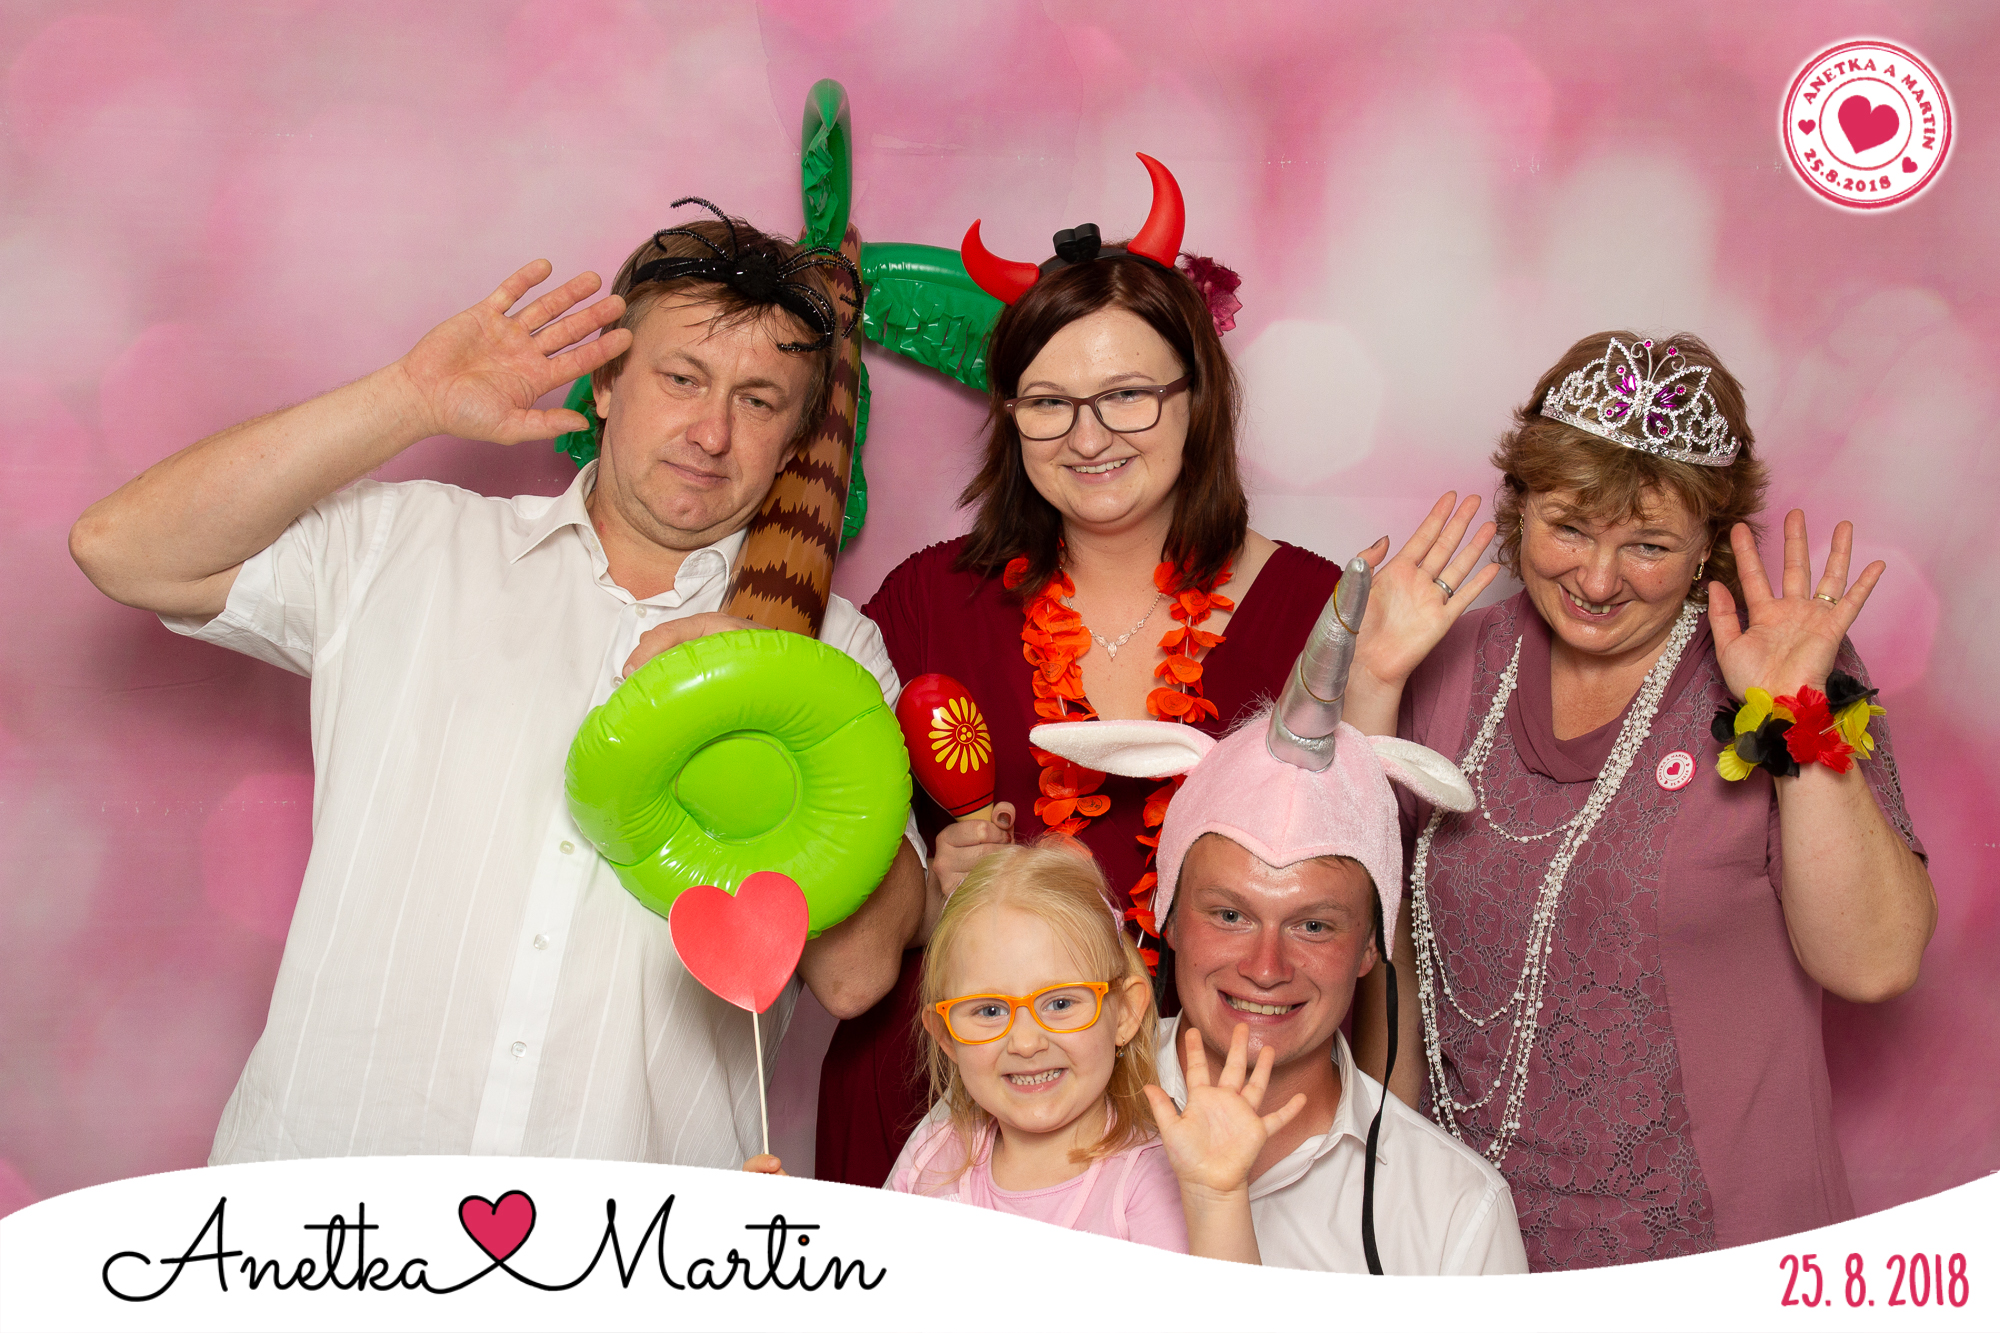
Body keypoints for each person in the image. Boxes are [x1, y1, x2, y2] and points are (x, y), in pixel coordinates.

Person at [66, 208, 930, 1167]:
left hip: (633, 1234)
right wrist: (408, 397)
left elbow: (854, 975)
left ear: (795, 439)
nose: (712, 431)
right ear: (608, 383)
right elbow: (122, 548)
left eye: (759, 401)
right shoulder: (407, 546)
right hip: (328, 1200)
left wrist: (776, 721)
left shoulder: (834, 653)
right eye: (681, 378)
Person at [816, 154, 1486, 1187]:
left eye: (1127, 394)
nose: (1088, 436)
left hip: (1202, 1131)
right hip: (939, 1118)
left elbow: (1353, 914)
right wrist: (927, 891)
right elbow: (842, 900)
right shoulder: (924, 603)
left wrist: (1376, 677)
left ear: (1195, 398)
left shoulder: (1312, 612)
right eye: (1047, 402)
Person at [1347, 331, 1936, 1269]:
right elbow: (1358, 941)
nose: (1596, 579)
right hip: (1474, 1247)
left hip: (1722, 1256)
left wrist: (1793, 712)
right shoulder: (1443, 661)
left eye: (1649, 545)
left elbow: (1874, 963)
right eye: (1568, 527)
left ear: (1708, 544)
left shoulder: (1782, 670)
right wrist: (1370, 683)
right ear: (1521, 506)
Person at [1031, 569, 1531, 1275]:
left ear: (1370, 944)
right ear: (1167, 913)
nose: (1266, 967)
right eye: (1230, 914)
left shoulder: (1453, 1212)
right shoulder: (1033, 1102)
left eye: (1314, 926)